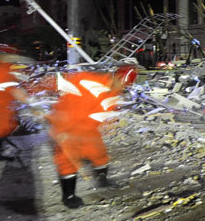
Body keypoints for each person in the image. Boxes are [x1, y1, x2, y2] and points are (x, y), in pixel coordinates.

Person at [47, 64, 138, 208]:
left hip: (88, 129)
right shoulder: (86, 79)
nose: (121, 88)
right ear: (116, 76)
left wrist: (110, 124)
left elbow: (104, 114)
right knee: (67, 160)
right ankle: (69, 196)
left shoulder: (113, 95)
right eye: (122, 83)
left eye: (125, 86)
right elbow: (58, 85)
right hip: (67, 127)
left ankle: (102, 180)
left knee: (99, 153)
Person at [0, 49, 32, 161]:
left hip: (3, 104)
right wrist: (25, 99)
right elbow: (12, 88)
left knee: (5, 128)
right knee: (3, 128)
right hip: (3, 105)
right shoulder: (4, 71)